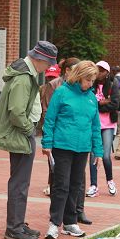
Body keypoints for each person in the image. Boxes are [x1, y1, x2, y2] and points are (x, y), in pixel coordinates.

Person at [0, 41, 58, 239]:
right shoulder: (24, 78)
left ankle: (17, 223)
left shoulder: (24, 75)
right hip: (21, 133)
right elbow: (17, 112)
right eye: (48, 63)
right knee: (20, 183)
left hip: (21, 132)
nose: (48, 68)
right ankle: (14, 227)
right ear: (39, 59)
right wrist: (29, 130)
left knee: (20, 182)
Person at [41, 60, 102, 239]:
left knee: (76, 185)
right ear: (79, 77)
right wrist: (47, 143)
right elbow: (50, 119)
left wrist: (97, 151)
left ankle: (70, 222)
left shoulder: (91, 98)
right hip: (62, 146)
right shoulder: (62, 92)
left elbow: (95, 126)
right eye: (89, 80)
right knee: (61, 185)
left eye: (93, 81)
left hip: (82, 148)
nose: (91, 84)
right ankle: (54, 223)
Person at [40, 58, 79, 198]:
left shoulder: (78, 85)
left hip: (73, 134)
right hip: (57, 132)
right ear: (67, 70)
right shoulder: (54, 85)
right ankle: (52, 186)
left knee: (74, 171)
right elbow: (48, 110)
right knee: (55, 165)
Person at [85, 61, 119, 199]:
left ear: (107, 72)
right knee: (93, 155)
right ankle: (93, 185)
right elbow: (89, 104)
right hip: (94, 124)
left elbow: (115, 104)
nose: (99, 73)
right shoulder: (90, 85)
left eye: (102, 70)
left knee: (105, 155)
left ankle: (110, 180)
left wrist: (100, 105)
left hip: (108, 125)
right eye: (97, 70)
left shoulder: (113, 85)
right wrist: (102, 102)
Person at [39, 64, 61, 196]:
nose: (50, 79)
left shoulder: (62, 88)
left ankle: (53, 184)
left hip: (60, 127)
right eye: (48, 77)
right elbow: (44, 109)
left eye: (53, 77)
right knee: (51, 158)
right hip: (49, 126)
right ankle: (50, 183)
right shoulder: (44, 89)